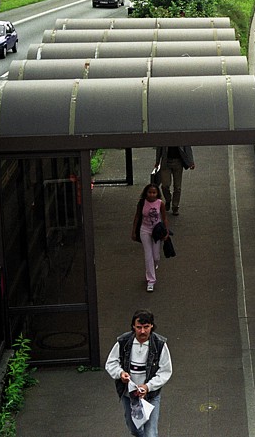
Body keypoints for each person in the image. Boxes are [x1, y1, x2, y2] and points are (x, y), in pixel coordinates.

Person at [105, 309, 173, 437]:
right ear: (133, 327)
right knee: (134, 429)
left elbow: (165, 371)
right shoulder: (123, 342)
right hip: (129, 395)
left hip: (151, 395)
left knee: (151, 433)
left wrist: (148, 387)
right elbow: (111, 363)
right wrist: (120, 373)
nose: (142, 331)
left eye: (146, 327)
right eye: (139, 327)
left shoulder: (159, 344)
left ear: (152, 326)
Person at [132, 184, 169, 292]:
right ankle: (151, 281)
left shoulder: (160, 204)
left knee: (156, 256)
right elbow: (137, 216)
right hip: (145, 230)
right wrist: (134, 231)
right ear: (146, 193)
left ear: (157, 194)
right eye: (150, 192)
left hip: (156, 231)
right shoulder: (142, 203)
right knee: (148, 255)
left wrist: (166, 231)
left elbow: (164, 218)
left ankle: (154, 265)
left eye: (154, 193)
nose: (152, 195)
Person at [154, 146, 195, 216]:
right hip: (166, 161)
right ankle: (168, 199)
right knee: (165, 185)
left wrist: (191, 161)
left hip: (178, 162)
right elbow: (159, 147)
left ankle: (175, 206)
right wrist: (157, 161)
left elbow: (187, 147)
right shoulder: (164, 136)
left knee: (177, 186)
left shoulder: (181, 135)